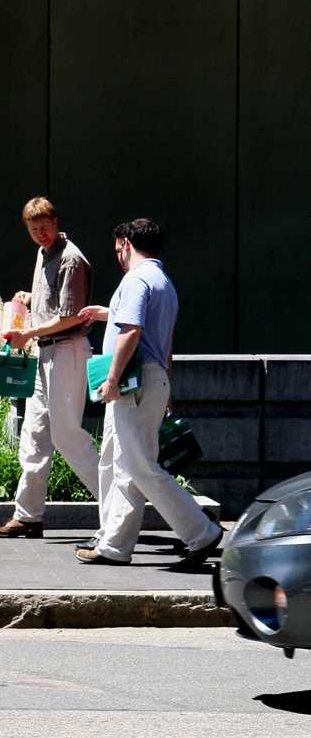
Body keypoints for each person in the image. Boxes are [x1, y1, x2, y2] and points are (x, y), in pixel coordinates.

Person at [74, 218, 224, 565]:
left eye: (118, 250)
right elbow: (161, 336)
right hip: (152, 379)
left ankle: (202, 531)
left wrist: (112, 378)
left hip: (133, 382)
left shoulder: (136, 279)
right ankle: (114, 544)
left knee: (139, 465)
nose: (118, 256)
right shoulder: (162, 281)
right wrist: (108, 314)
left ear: (127, 244)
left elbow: (132, 330)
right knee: (121, 462)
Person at [0, 197, 101, 539]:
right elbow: (55, 304)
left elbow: (71, 316)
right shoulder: (44, 253)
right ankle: (27, 516)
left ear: (56, 222)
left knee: (67, 436)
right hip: (47, 352)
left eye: (45, 227)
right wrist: (31, 298)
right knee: (34, 434)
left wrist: (28, 333)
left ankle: (121, 508)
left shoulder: (71, 259)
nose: (41, 234)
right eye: (34, 229)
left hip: (67, 351)